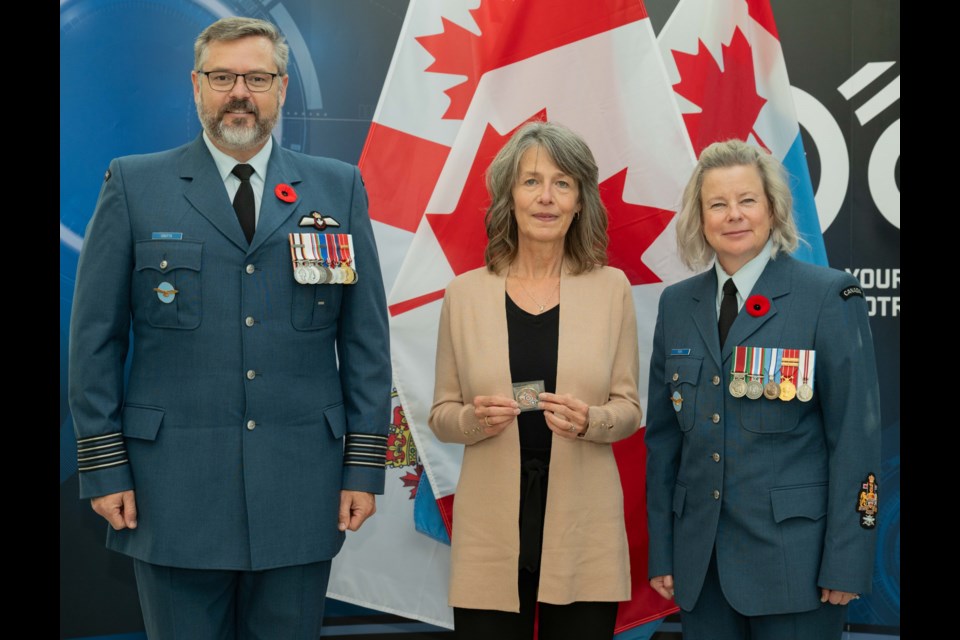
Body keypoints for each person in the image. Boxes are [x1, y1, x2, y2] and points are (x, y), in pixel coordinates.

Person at [68, 17, 391, 638]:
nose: (240, 92)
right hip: (170, 492)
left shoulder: (336, 188)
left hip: (302, 488)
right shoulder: (136, 185)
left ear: (283, 89)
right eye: (223, 77)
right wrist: (106, 467)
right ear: (196, 85)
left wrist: (361, 468)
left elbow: (367, 343)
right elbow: (95, 342)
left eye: (257, 77)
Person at [645, 139, 880, 640]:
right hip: (699, 570)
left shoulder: (828, 296)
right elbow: (664, 443)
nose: (734, 215)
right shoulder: (676, 305)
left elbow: (855, 443)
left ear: (772, 209)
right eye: (717, 203)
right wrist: (664, 551)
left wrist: (848, 559)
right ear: (700, 217)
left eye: (747, 200)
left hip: (798, 567)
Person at [429, 121, 642, 640]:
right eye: (531, 182)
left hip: (584, 520)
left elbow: (630, 408)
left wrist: (593, 419)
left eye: (562, 183)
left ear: (579, 202)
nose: (546, 197)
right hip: (490, 524)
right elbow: (441, 415)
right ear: (509, 198)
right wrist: (473, 420)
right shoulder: (464, 294)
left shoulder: (611, 289)